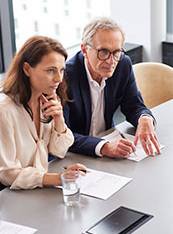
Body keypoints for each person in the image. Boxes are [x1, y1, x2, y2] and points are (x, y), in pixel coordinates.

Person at [63, 16, 161, 158]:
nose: (111, 61)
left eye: (116, 52)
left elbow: (133, 105)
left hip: (109, 144)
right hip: (75, 156)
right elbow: (62, 135)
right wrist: (104, 147)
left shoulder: (123, 64)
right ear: (84, 50)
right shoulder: (65, 77)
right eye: (103, 52)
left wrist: (144, 118)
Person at [0, 36, 86, 190]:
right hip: (9, 197)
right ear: (26, 69)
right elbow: (7, 174)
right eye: (50, 70)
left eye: (61, 70)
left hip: (37, 189)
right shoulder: (4, 109)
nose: (59, 79)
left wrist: (59, 120)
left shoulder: (47, 99)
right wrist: (56, 179)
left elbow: (58, 151)